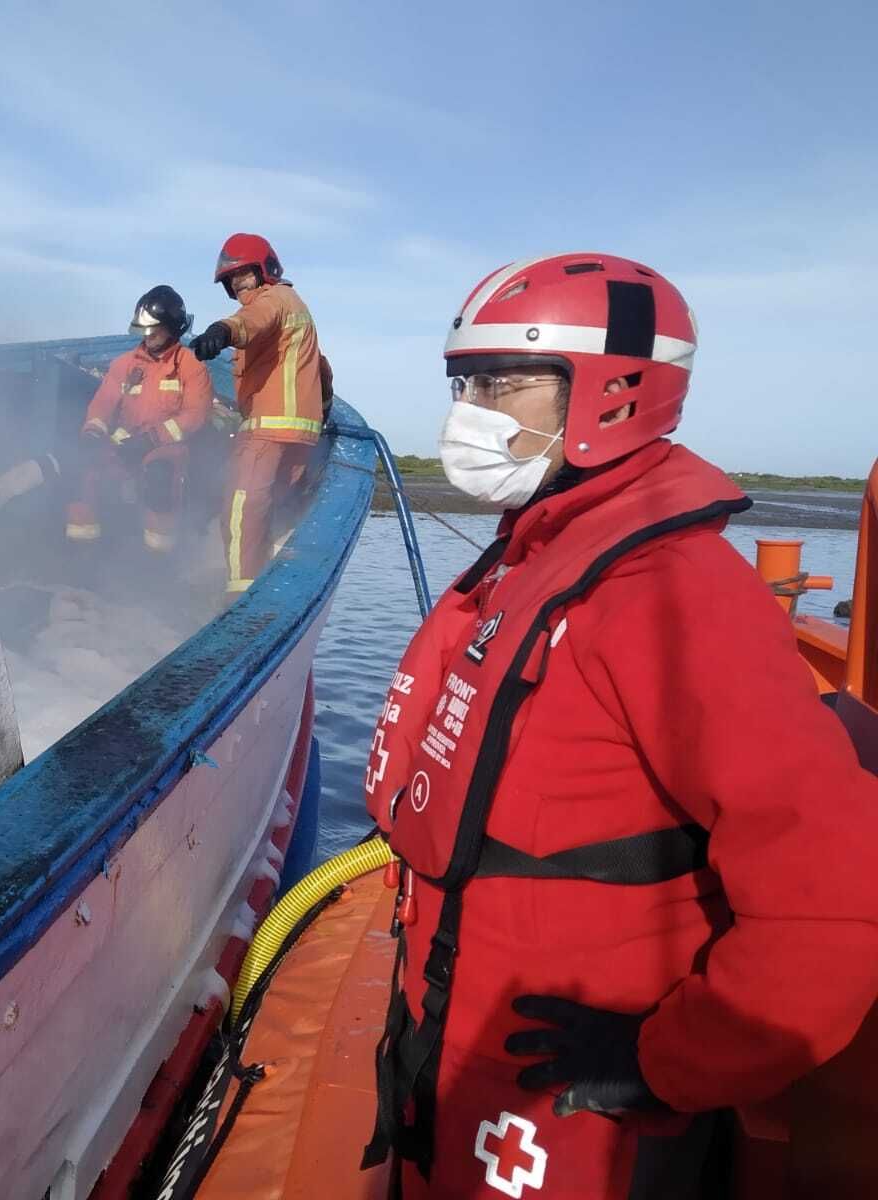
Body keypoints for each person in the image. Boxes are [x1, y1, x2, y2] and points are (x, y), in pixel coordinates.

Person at [358, 253, 878, 1198]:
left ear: (610, 393)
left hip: (579, 1126)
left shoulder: (673, 594)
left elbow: (835, 904)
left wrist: (667, 1060)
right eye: (463, 383)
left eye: (499, 384)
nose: (467, 412)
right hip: (461, 1060)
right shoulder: (537, 556)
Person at [190, 233, 333, 596]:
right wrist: (324, 411)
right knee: (273, 510)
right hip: (300, 437)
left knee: (241, 510)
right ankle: (275, 586)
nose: (237, 284)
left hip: (269, 432)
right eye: (230, 279)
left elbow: (251, 321)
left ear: (264, 270)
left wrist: (221, 331)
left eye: (243, 275)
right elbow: (322, 370)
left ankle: (240, 599)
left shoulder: (274, 299)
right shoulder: (298, 307)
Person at [65, 285, 213, 553]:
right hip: (123, 444)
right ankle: (82, 551)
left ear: (171, 326)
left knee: (159, 477)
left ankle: (156, 557)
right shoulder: (124, 364)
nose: (148, 336)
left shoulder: (192, 366)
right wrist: (92, 432)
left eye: (154, 330)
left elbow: (195, 415)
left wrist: (152, 440)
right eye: (144, 330)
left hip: (166, 449)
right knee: (84, 466)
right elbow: (103, 404)